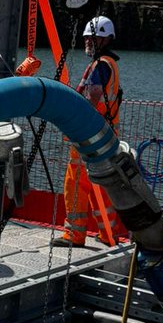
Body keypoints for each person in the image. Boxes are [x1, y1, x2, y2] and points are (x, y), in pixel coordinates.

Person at [53, 14, 122, 249]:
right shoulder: (107, 63)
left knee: (75, 184)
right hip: (104, 134)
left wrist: (73, 119)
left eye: (90, 39)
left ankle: (74, 234)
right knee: (99, 183)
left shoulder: (101, 65)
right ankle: (108, 233)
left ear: (102, 40)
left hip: (89, 134)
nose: (86, 43)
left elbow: (92, 97)